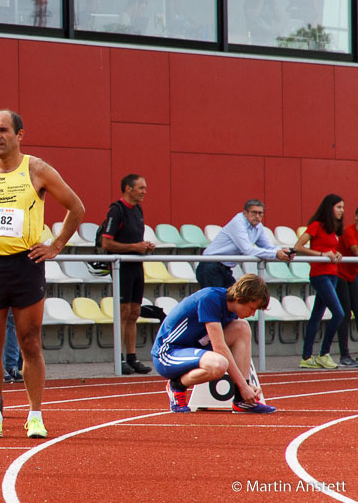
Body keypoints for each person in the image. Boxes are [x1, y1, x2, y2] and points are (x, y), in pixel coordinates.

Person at [0, 109, 85, 440]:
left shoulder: (36, 169)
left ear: (20, 135)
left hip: (26, 264)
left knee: (30, 342)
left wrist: (55, 246)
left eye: (3, 130)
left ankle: (35, 415)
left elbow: (76, 207)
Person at [153, 274, 277, 414]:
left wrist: (246, 385)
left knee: (242, 327)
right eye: (251, 308)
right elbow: (219, 347)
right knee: (219, 364)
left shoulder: (231, 309)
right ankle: (176, 385)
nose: (253, 313)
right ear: (240, 299)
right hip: (168, 353)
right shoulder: (210, 299)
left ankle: (241, 400)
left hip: (193, 349)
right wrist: (243, 385)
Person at [100, 174, 156, 375]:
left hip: (136, 266)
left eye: (145, 188)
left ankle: (132, 357)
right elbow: (106, 243)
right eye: (141, 188)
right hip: (121, 266)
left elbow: (135, 241)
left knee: (134, 313)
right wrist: (135, 246)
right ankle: (119, 358)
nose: (144, 192)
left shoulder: (138, 209)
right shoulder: (117, 210)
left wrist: (145, 247)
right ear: (128, 188)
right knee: (123, 312)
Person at [293, 194, 346, 370]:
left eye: (343, 208)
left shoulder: (334, 228)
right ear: (330, 207)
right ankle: (324, 354)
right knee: (339, 313)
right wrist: (322, 255)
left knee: (316, 316)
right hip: (320, 275)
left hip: (332, 274)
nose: (342, 211)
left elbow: (330, 249)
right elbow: (299, 247)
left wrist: (335, 254)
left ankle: (306, 357)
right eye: (339, 207)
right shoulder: (316, 225)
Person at [196, 199, 293, 289]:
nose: (257, 216)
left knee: (234, 300)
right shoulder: (238, 223)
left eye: (260, 213)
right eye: (253, 212)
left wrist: (283, 251)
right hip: (210, 266)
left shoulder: (258, 226)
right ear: (245, 213)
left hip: (224, 268)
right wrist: (276, 254)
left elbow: (268, 246)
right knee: (216, 302)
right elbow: (247, 250)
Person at [335, 207, 358, 367]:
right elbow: (355, 251)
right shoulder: (348, 231)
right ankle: (344, 354)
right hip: (340, 274)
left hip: (353, 275)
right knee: (345, 313)